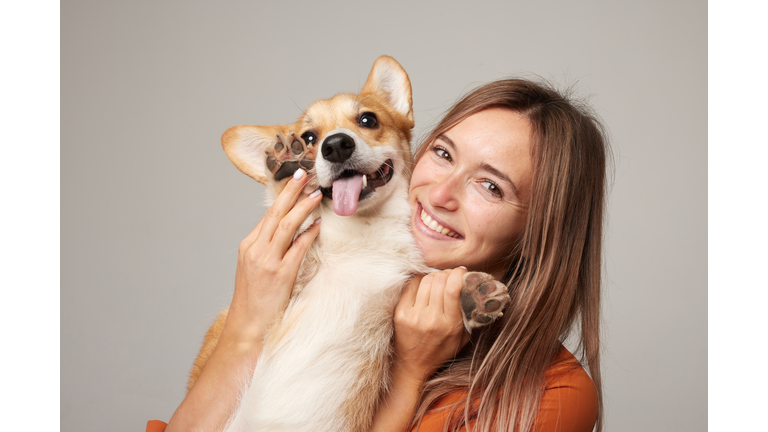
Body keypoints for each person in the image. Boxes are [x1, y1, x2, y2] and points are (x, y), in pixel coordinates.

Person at [152, 78, 609, 432]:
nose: (439, 194)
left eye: (491, 186)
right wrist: (246, 325)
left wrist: (409, 373)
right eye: (445, 154)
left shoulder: (556, 395)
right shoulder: (325, 270)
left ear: (541, 229)